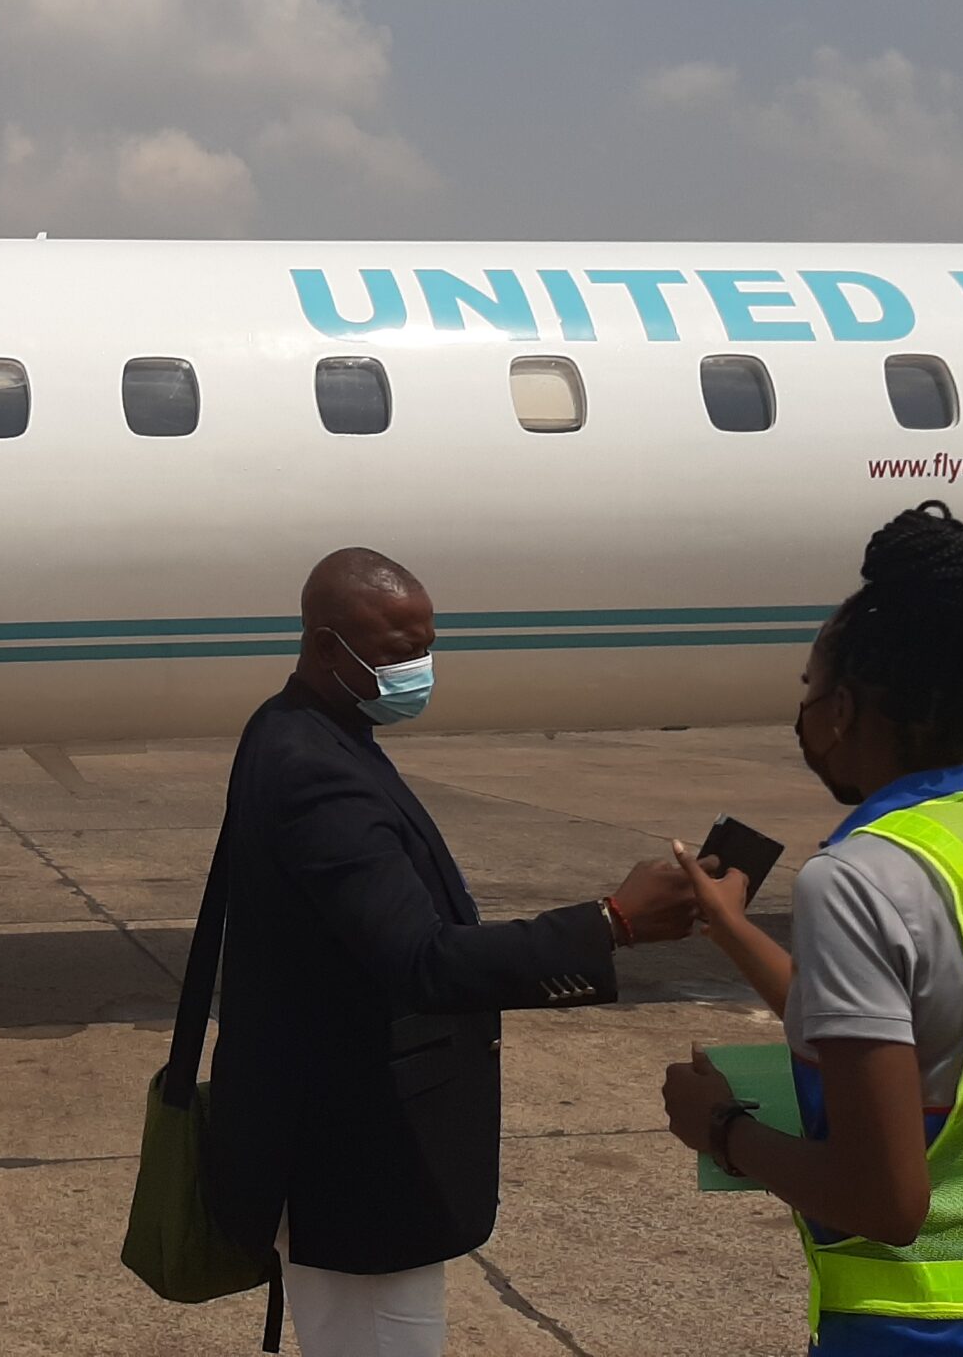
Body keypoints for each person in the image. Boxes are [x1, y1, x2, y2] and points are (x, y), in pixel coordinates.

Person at [659, 501, 963, 1357]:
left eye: (808, 692)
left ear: (843, 711)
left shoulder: (856, 878)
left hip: (926, 1332)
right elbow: (910, 1033)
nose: (803, 717)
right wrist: (733, 930)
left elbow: (884, 1202)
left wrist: (722, 1130)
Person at [202, 547, 711, 1357]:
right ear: (328, 647)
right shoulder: (314, 770)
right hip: (357, 1165)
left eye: (427, 646)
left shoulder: (310, 728)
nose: (419, 668)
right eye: (399, 652)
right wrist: (611, 922)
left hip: (346, 1150)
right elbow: (425, 962)